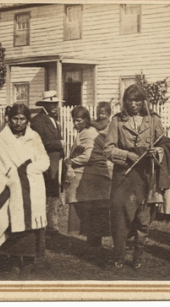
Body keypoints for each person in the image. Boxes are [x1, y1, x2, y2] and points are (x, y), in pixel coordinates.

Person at [104, 84, 170, 270]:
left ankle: (137, 256)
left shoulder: (153, 120)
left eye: (138, 100)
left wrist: (157, 151)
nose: (134, 104)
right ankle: (118, 256)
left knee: (143, 219)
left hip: (145, 176)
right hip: (124, 176)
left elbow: (164, 143)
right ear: (125, 102)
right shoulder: (117, 121)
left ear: (144, 101)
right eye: (130, 100)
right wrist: (126, 155)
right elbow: (108, 149)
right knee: (120, 217)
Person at [0, 104, 50, 279]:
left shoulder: (34, 137)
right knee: (11, 221)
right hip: (10, 187)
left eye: (22, 119)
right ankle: (12, 262)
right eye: (15, 119)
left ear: (27, 120)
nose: (18, 123)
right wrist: (13, 174)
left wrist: (29, 169)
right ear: (9, 119)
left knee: (29, 225)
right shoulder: (2, 139)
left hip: (31, 187)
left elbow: (44, 160)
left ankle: (28, 262)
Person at [64, 106, 112, 251]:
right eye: (74, 120)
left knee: (93, 212)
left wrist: (70, 161)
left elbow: (88, 155)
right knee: (93, 212)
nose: (75, 123)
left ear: (85, 120)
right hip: (94, 180)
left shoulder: (89, 133)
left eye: (78, 120)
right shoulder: (86, 131)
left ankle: (94, 244)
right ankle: (93, 243)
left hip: (93, 179)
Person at [30, 90, 65, 234]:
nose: (55, 107)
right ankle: (42, 225)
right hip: (46, 161)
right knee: (45, 193)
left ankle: (52, 225)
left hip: (57, 162)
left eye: (56, 104)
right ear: (45, 105)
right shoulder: (37, 121)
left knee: (55, 192)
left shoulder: (55, 121)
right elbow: (39, 142)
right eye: (52, 104)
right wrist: (59, 144)